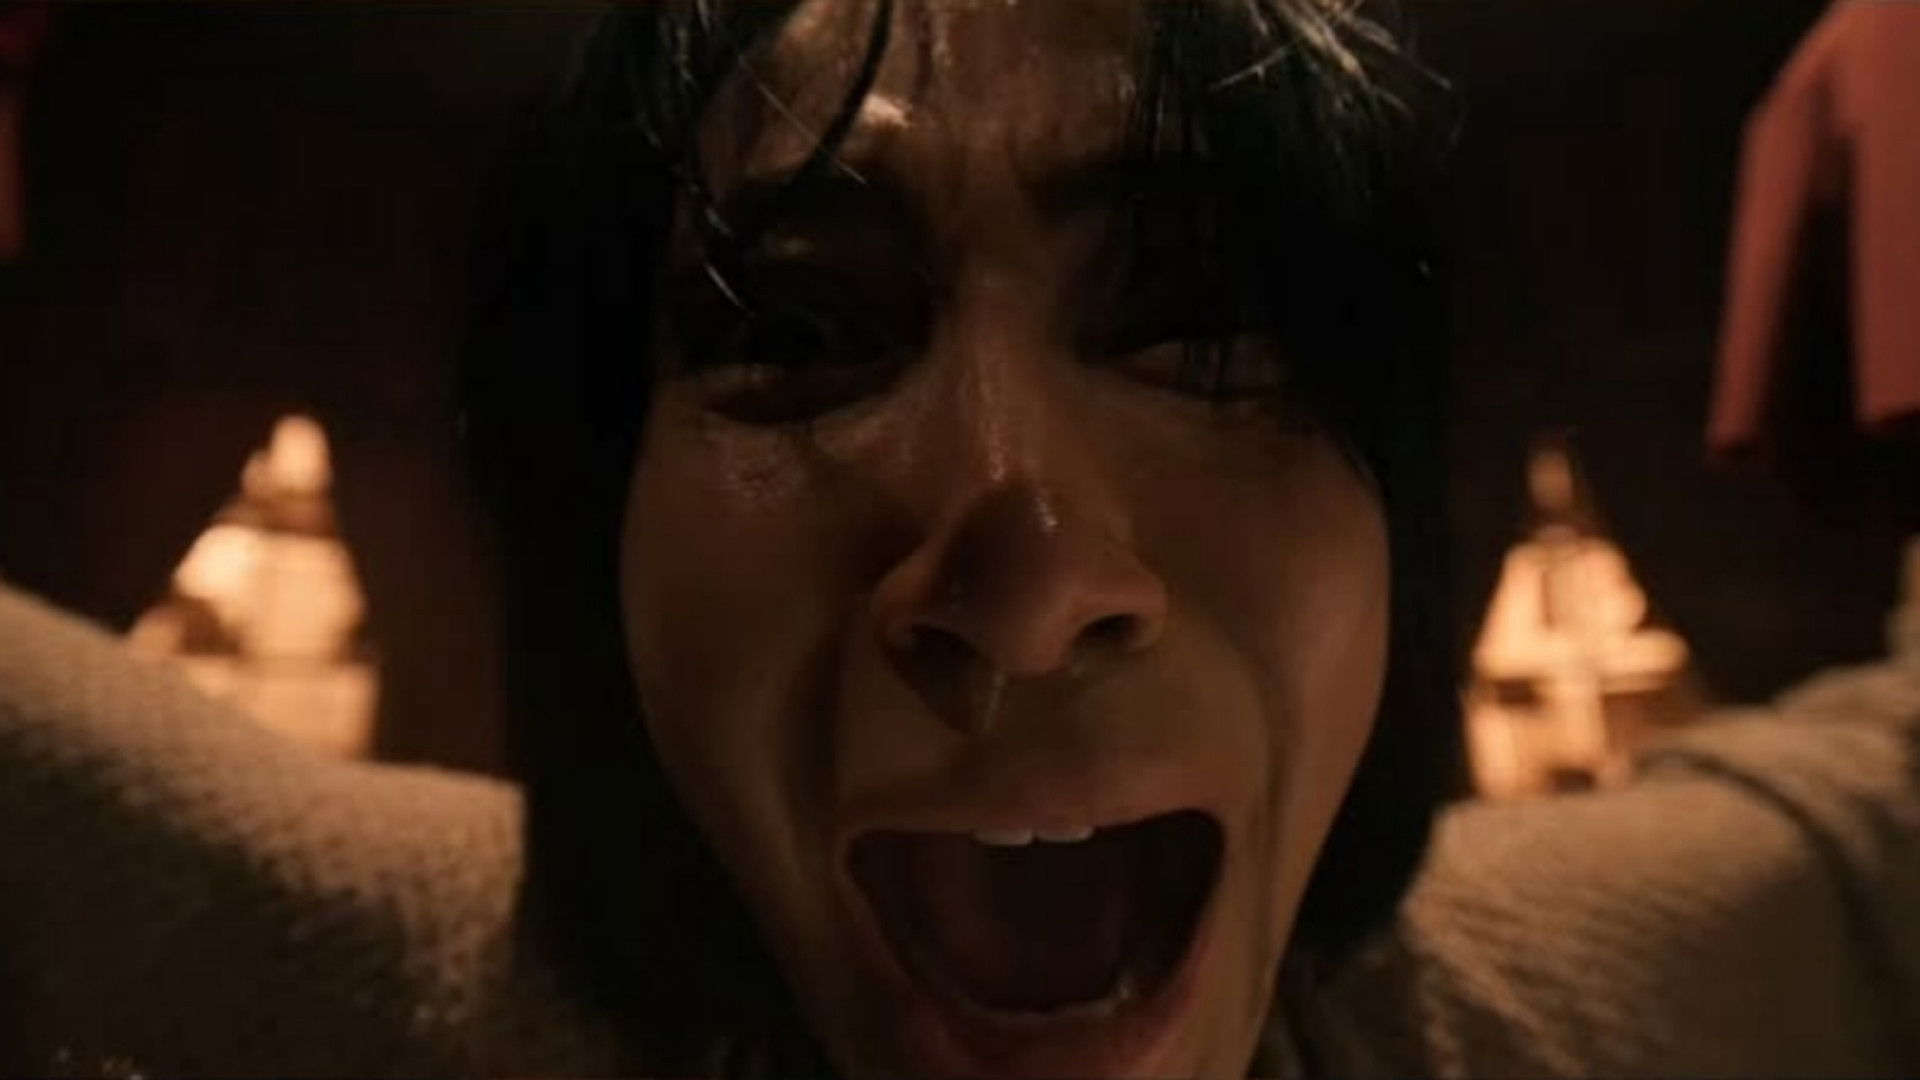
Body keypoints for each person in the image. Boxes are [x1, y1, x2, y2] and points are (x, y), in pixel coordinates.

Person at [0, 1, 1914, 1077]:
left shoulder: (1525, 1015)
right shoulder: (386, 990)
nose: (1033, 580)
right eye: (792, 328)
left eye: (1203, 326)